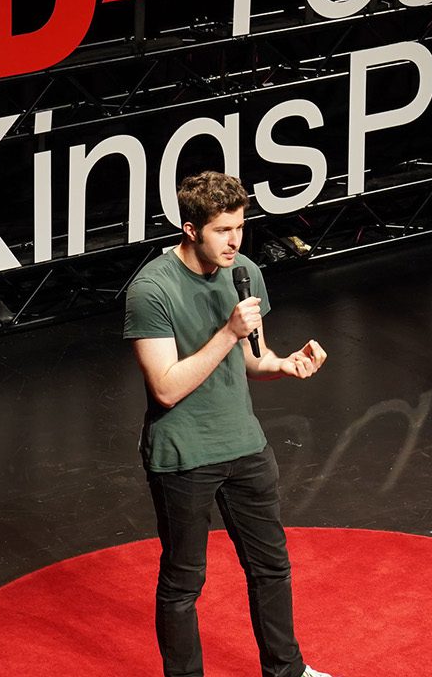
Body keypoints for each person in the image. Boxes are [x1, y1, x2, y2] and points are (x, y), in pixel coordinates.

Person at [124, 171, 331, 677]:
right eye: (222, 230)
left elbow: (252, 359)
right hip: (184, 456)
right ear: (191, 229)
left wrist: (283, 364)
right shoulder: (150, 290)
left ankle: (287, 671)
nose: (235, 240)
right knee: (183, 582)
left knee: (271, 567)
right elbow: (167, 387)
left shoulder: (246, 272)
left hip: (244, 444)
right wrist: (227, 331)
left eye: (240, 227)